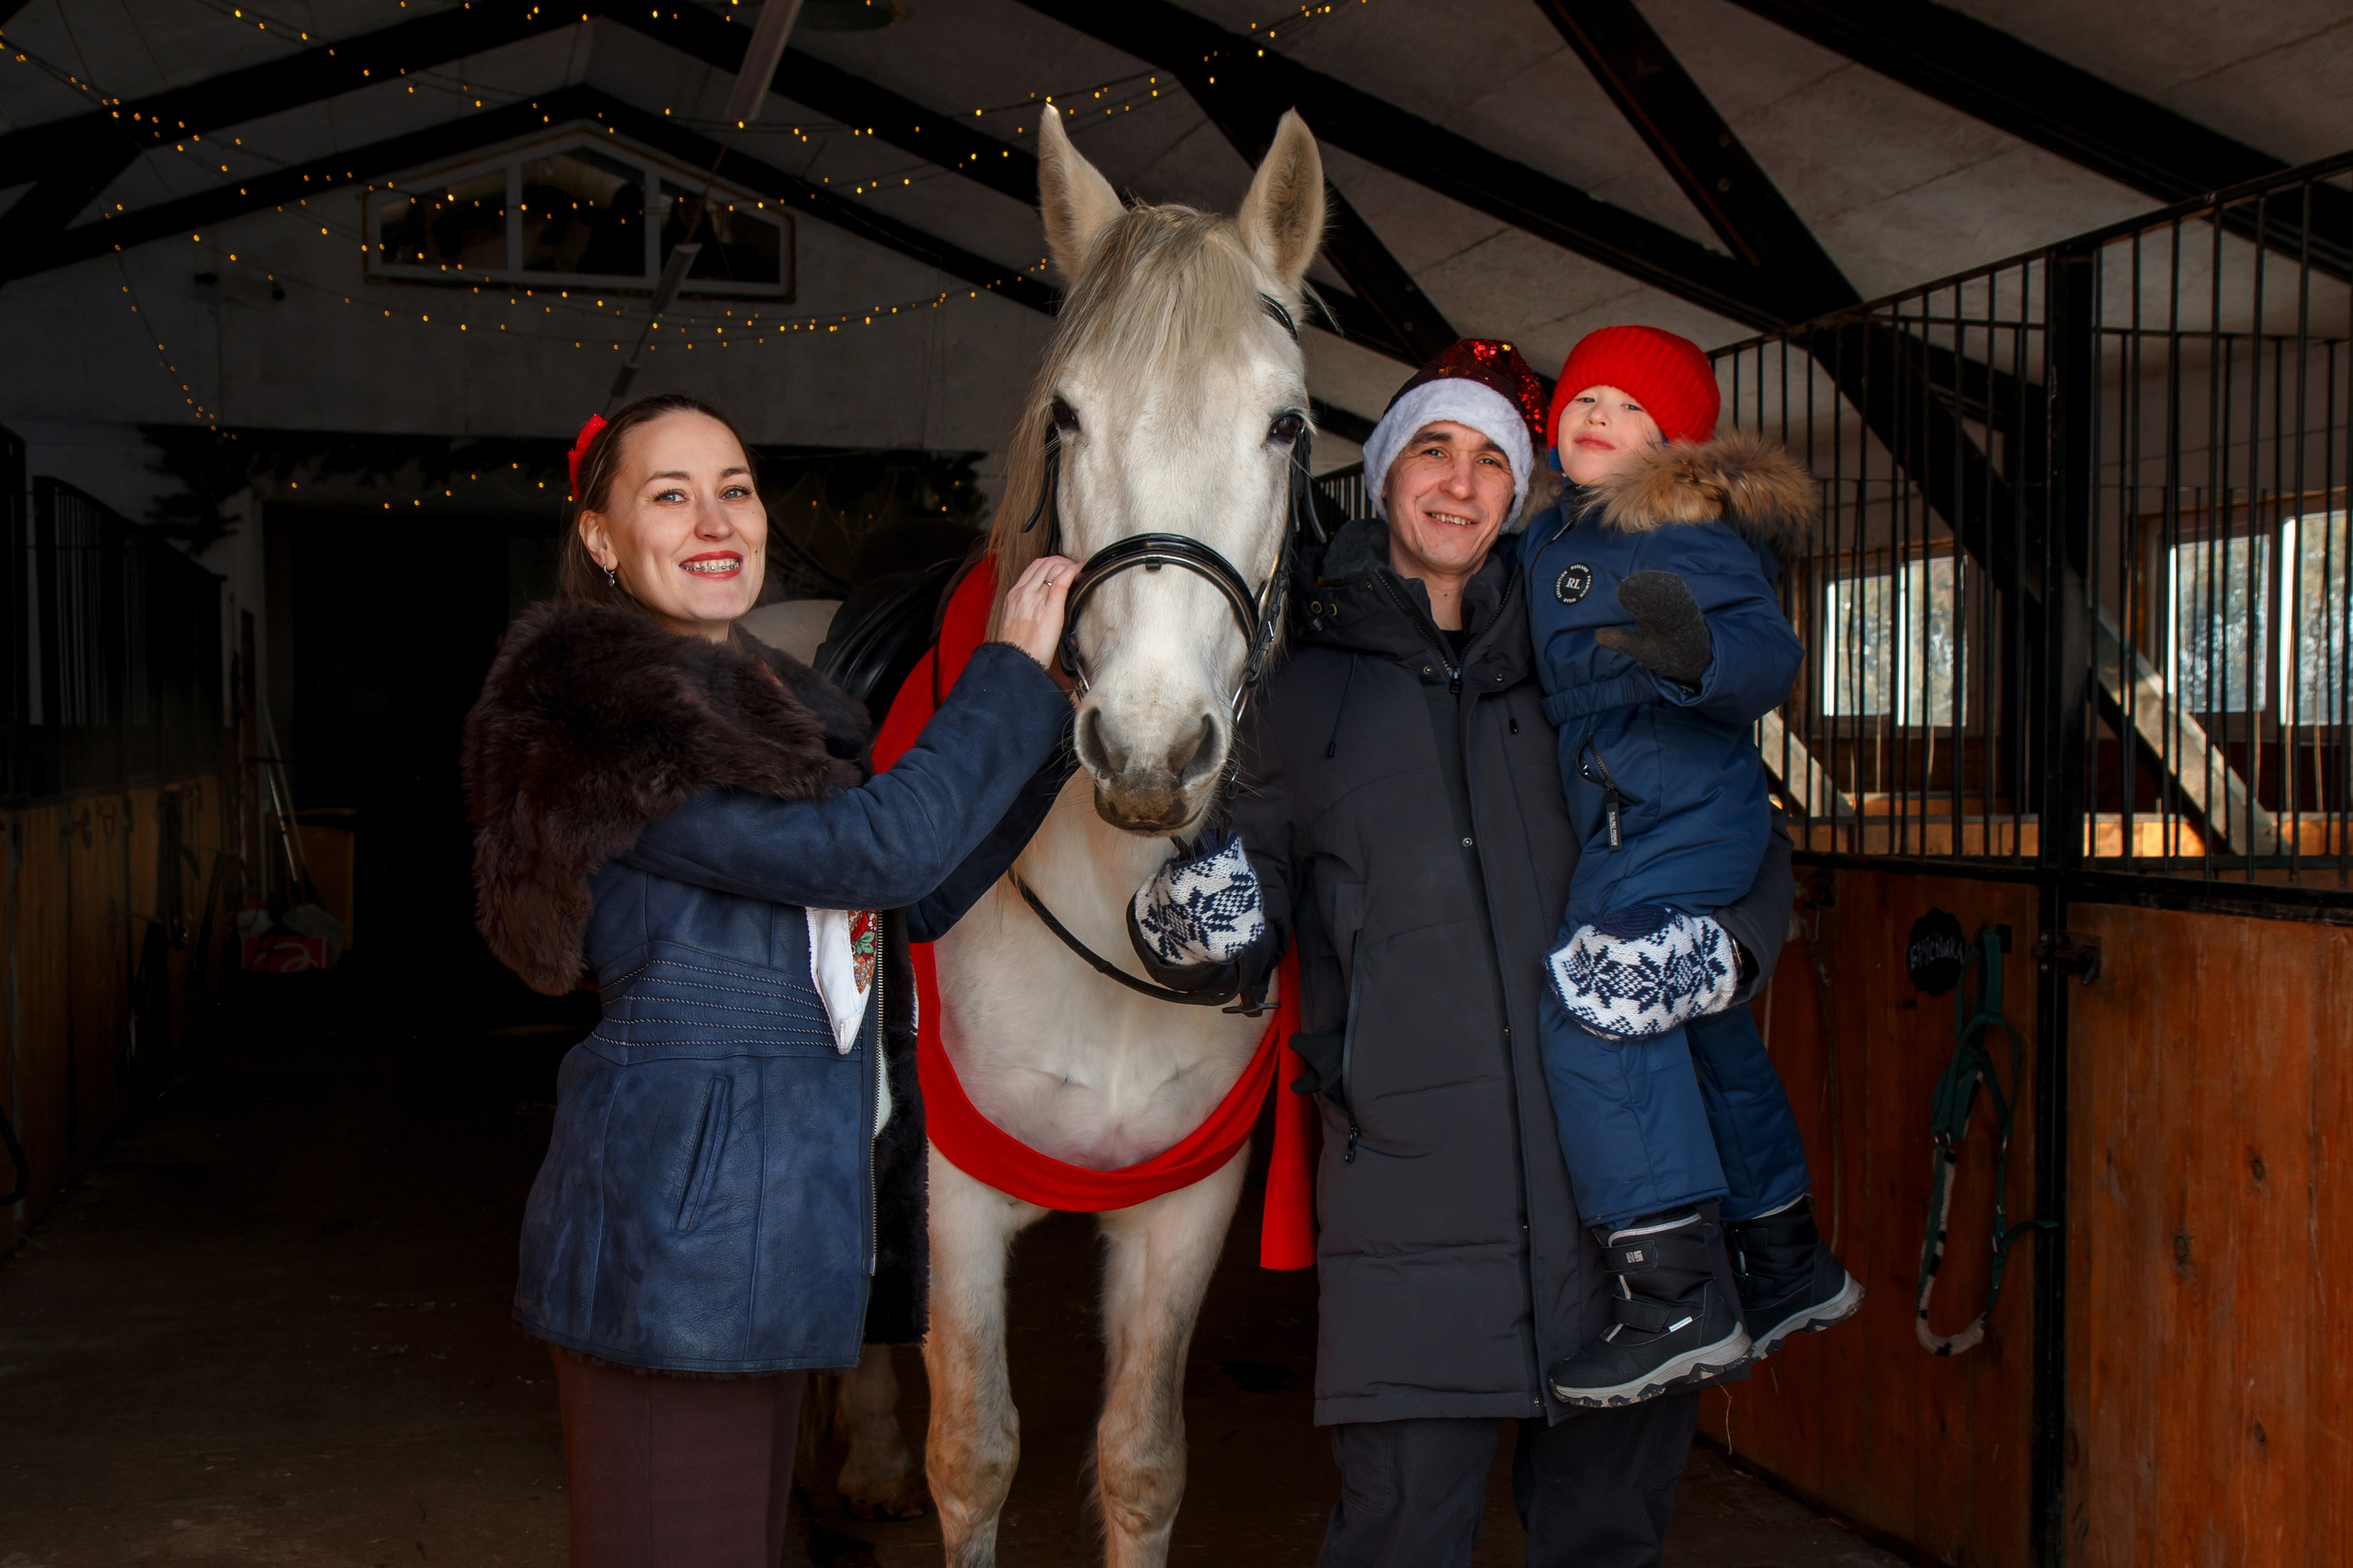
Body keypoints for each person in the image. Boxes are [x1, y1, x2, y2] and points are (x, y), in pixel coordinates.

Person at [1124, 340, 1797, 1566]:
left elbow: (1734, 838)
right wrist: (1201, 912)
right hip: (1410, 1203)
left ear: (1523, 490)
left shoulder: (1582, 656)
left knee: (1606, 1532)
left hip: (1619, 1212)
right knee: (1400, 1537)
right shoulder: (1296, 689)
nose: (1459, 478)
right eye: (1431, 446)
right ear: (1383, 473)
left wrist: (1716, 955)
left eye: (1493, 456)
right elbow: (1248, 887)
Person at [460, 393, 1077, 1568]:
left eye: (734, 488)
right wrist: (1005, 677)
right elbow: (875, 851)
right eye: (669, 493)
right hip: (678, 1247)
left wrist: (1060, 726)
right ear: (600, 539)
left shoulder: (779, 712)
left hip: (760, 1239)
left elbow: (910, 895)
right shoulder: (607, 716)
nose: (715, 519)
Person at [1525, 326, 1860, 1409]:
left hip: (1671, 812)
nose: (1596, 417)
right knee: (1701, 1030)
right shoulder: (1548, 533)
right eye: (1583, 399)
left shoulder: (1686, 524)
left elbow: (1770, 651)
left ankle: (1672, 1295)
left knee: (1595, 1004)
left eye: (1627, 408)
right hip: (1636, 808)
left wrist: (1700, 658)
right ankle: (1784, 1258)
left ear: (1671, 443)